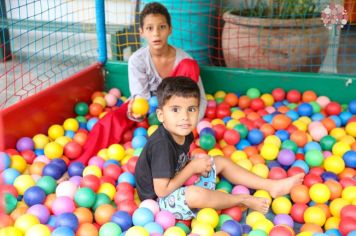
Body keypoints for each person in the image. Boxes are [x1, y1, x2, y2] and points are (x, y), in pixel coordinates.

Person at [135, 77, 305, 220]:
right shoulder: (161, 146)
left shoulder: (184, 132)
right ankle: (242, 200)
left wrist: (194, 167)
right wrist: (192, 168)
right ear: (161, 115)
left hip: (176, 180)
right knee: (195, 194)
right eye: (175, 110)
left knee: (219, 161)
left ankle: (271, 186)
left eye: (191, 109)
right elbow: (162, 190)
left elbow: (180, 162)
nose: (184, 117)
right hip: (158, 202)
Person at [72, 2, 207, 165]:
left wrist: (191, 124)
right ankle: (80, 162)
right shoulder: (137, 60)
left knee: (189, 66)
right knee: (110, 119)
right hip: (148, 111)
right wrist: (136, 114)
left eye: (162, 27)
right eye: (150, 28)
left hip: (176, 112)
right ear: (142, 32)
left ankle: (173, 142)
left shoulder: (185, 60)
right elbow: (140, 100)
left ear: (170, 29)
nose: (156, 34)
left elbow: (200, 99)